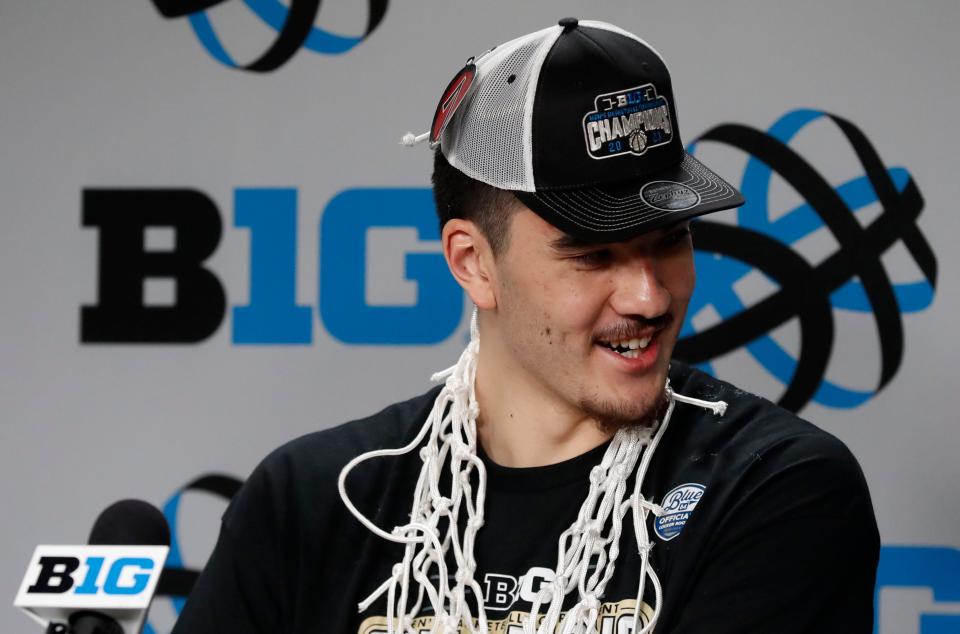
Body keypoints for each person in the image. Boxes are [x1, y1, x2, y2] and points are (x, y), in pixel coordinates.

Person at [172, 18, 879, 634]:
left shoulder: (773, 487)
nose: (648, 295)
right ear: (474, 263)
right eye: (592, 255)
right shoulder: (312, 499)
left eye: (668, 239)